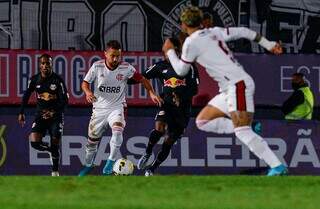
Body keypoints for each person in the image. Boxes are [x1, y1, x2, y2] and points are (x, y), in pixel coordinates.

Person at [162, 6, 287, 176]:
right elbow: (244, 31)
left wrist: (169, 51)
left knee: (242, 131)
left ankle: (277, 166)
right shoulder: (214, 31)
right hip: (230, 89)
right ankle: (250, 126)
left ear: (184, 24)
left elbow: (181, 71)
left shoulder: (191, 42)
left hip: (237, 85)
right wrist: (270, 44)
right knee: (203, 121)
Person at [78, 40, 162, 176]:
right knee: (91, 142)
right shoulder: (97, 66)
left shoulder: (126, 68)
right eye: (113, 55)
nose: (116, 59)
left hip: (117, 107)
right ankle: (88, 165)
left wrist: (151, 92)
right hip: (99, 109)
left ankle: (110, 162)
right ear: (105, 54)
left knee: (117, 132)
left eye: (118, 56)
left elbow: (142, 79)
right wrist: (88, 92)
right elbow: (85, 83)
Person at [136, 37, 200, 176]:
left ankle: (152, 168)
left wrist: (181, 97)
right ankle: (147, 152)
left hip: (183, 110)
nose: (166, 53)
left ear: (177, 51)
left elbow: (195, 89)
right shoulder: (160, 66)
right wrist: (151, 92)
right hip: (167, 104)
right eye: (165, 51)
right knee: (159, 128)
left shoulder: (189, 67)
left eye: (169, 50)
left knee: (169, 140)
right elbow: (141, 77)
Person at [18, 53, 68, 176]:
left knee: (55, 141)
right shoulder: (34, 80)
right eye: (43, 63)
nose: (45, 66)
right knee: (34, 143)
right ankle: (51, 150)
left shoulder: (58, 80)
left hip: (55, 116)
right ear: (40, 65)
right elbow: (26, 95)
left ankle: (55, 171)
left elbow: (65, 101)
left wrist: (53, 111)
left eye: (48, 63)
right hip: (40, 115)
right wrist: (21, 112)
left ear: (51, 65)